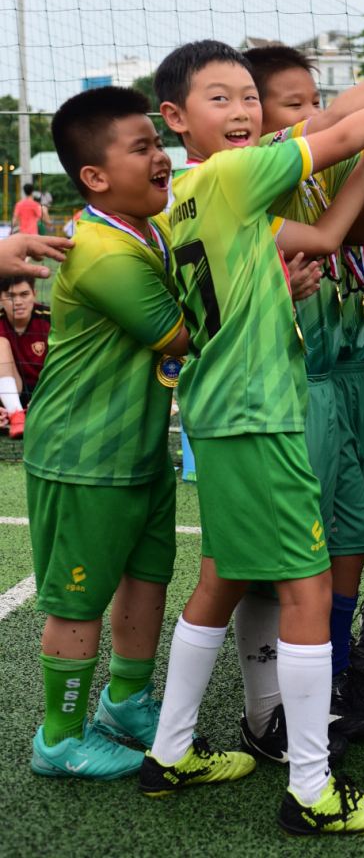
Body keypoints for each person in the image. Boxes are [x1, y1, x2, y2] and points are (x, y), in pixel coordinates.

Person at [142, 39, 364, 835]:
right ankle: (312, 790)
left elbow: (325, 236)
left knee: (219, 579)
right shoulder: (236, 174)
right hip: (261, 413)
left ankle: (170, 750)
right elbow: (338, 129)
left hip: (223, 411)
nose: (245, 111)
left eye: (250, 96)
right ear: (176, 116)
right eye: (222, 98)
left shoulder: (193, 192)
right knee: (308, 592)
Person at [24, 86, 188, 781]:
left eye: (159, 141)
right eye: (143, 146)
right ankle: (58, 740)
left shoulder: (150, 227)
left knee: (149, 578)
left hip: (142, 448)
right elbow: (180, 334)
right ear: (94, 176)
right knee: (77, 598)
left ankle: (126, 702)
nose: (162, 156)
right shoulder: (101, 251)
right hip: (84, 455)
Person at [0, 275, 50, 437]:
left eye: (24, 294)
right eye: (10, 296)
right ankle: (15, 415)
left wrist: (47, 397)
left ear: (34, 294)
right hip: (9, 395)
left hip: (47, 393)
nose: (18, 302)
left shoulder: (50, 319)